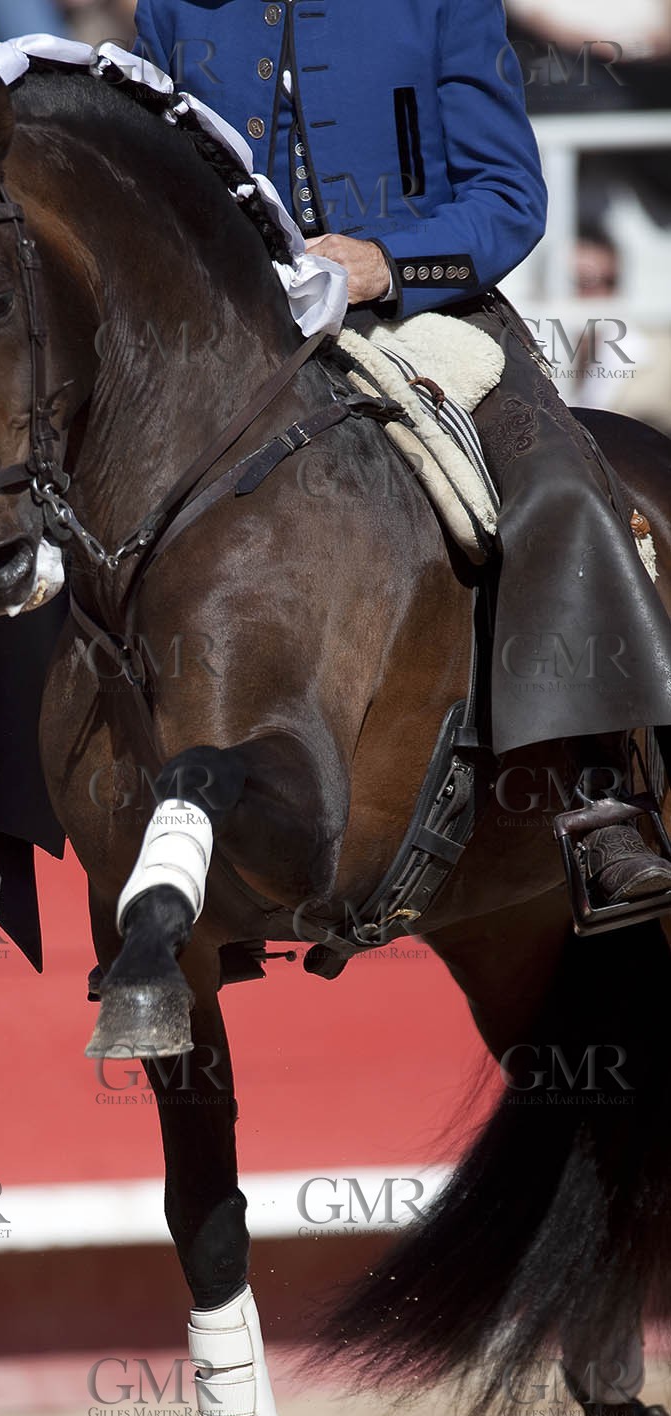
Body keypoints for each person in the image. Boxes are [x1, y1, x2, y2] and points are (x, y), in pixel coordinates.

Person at [133, 0, 671, 910]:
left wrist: (388, 259)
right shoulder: (174, 7)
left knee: (561, 487)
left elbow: (509, 197)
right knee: (75, 485)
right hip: (236, 334)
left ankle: (601, 797)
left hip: (428, 313)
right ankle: (9, 794)